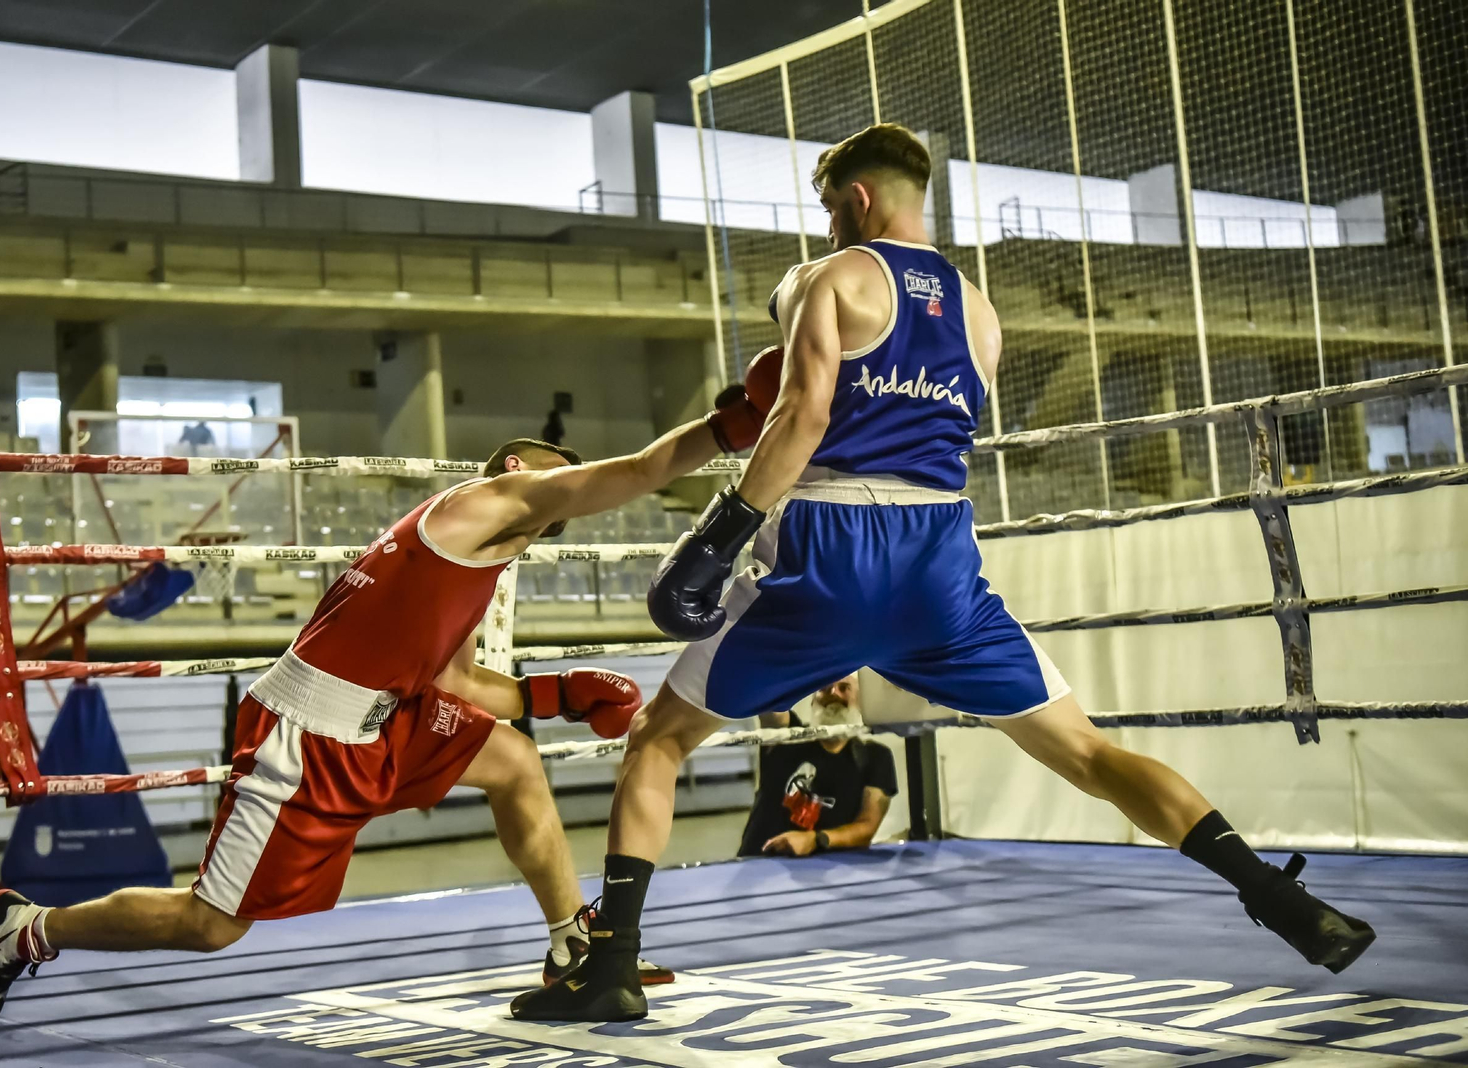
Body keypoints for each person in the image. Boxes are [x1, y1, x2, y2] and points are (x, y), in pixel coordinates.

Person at [512, 123, 1375, 1023]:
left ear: (855, 199)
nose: (829, 224)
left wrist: (716, 538)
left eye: (829, 208)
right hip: (938, 555)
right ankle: (1277, 896)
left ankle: (611, 968)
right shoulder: (981, 314)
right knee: (1089, 753)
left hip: (829, 547)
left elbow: (803, 417)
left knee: (658, 739)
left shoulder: (827, 278)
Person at [0, 354, 781, 1022]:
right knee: (211, 924)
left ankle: (571, 942)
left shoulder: (475, 561)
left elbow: (458, 682)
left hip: (387, 720)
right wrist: (733, 428)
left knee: (514, 764)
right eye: (560, 476)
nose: (569, 490)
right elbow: (637, 471)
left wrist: (558, 696)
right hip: (307, 733)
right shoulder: (486, 498)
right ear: (518, 467)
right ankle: (28, 930)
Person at [738, 674, 897, 859]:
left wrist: (816, 839)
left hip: (824, 868)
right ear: (813, 701)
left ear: (860, 702)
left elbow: (867, 827)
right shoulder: (788, 736)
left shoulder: (875, 757)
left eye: (844, 688)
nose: (833, 692)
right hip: (758, 863)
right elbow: (770, 704)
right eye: (824, 687)